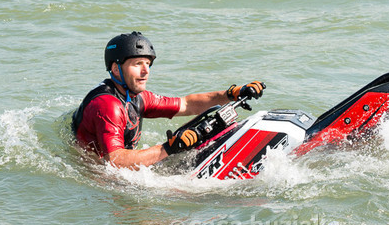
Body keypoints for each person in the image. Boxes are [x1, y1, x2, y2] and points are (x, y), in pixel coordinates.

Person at [72, 31, 264, 169]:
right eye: (137, 64)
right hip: (97, 175)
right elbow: (115, 160)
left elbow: (187, 104)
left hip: (120, 165)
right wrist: (169, 148)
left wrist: (232, 93)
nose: (146, 71)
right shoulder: (108, 105)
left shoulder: (137, 97)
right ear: (115, 69)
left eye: (148, 64)